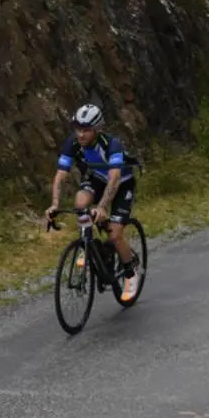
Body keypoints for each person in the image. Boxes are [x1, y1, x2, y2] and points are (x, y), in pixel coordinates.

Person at [46, 103, 141, 301]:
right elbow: (60, 175)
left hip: (122, 184)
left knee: (115, 235)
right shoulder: (72, 143)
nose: (80, 135)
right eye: (78, 129)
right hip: (97, 178)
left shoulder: (111, 144)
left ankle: (130, 273)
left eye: (86, 130)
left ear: (97, 130)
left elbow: (114, 179)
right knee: (80, 203)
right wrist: (54, 204)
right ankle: (88, 242)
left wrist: (103, 206)